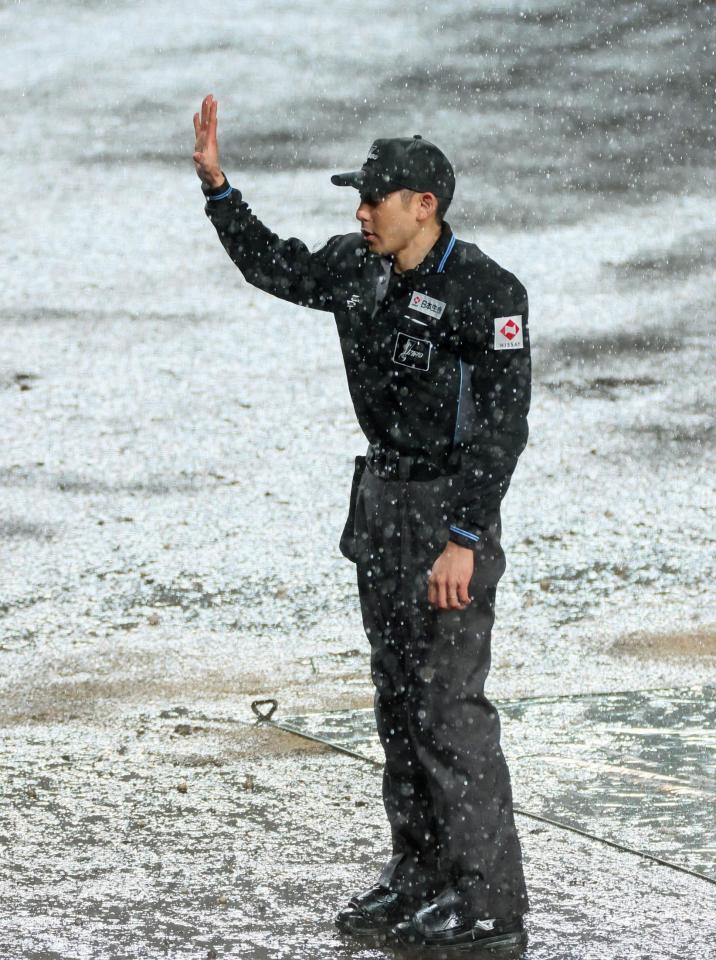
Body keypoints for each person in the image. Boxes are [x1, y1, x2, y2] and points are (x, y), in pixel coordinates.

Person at [193, 93, 531, 954]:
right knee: (396, 701)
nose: (360, 210)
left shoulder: (485, 292)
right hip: (380, 508)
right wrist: (222, 193)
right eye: (360, 194)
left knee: (449, 707)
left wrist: (465, 536)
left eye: (374, 196)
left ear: (425, 204)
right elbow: (275, 267)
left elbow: (502, 428)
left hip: (446, 509)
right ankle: (418, 873)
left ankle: (488, 898)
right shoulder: (357, 266)